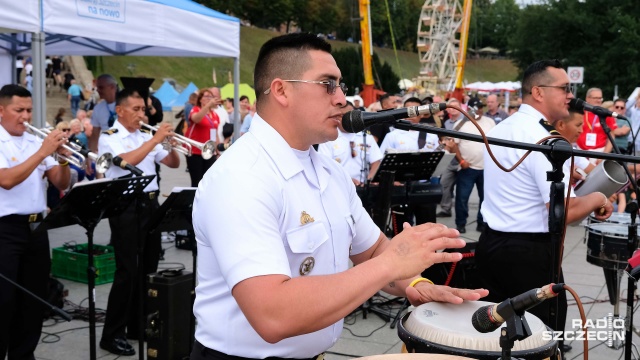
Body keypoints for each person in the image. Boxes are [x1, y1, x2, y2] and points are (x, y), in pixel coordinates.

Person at [191, 33, 487, 360]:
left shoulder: (328, 172)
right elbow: (272, 315)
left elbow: (372, 249)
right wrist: (393, 262)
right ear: (281, 90)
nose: (342, 99)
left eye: (341, 86)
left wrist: (415, 284)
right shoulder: (241, 178)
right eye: (327, 84)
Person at [476, 59, 613, 357]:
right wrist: (599, 198)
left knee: (498, 338)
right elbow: (563, 211)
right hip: (528, 255)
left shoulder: (508, 125)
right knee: (540, 339)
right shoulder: (544, 137)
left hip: (492, 244)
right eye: (564, 88)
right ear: (538, 92)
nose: (570, 95)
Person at [97, 88, 180, 356]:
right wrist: (155, 140)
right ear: (119, 110)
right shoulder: (110, 138)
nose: (141, 114)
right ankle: (112, 334)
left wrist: (170, 143)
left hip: (150, 205)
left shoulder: (146, 136)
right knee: (127, 272)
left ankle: (137, 325)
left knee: (148, 267)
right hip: (126, 207)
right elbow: (127, 162)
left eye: (143, 109)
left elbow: (172, 163)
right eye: (135, 109)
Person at [0, 84, 71, 360]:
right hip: (6, 229)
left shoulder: (33, 140)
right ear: (2, 111)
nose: (26, 116)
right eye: (19, 110)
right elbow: (6, 180)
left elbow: (60, 183)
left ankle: (24, 355)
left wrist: (62, 160)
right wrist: (43, 152)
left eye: (29, 110)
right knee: (4, 301)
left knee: (32, 301)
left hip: (37, 227)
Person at [318, 101, 382, 186]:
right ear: (336, 117)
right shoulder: (327, 139)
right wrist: (347, 180)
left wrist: (369, 180)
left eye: (351, 115)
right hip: (339, 186)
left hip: (364, 187)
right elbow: (325, 166)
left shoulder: (365, 136)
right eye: (343, 116)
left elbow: (376, 161)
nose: (348, 119)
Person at [186, 88, 221, 186]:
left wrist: (217, 149)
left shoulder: (215, 115)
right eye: (206, 96)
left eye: (211, 96)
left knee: (208, 181)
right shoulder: (195, 109)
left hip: (209, 151)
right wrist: (208, 106)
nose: (209, 98)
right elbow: (196, 119)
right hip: (195, 151)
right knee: (197, 181)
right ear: (200, 99)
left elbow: (215, 133)